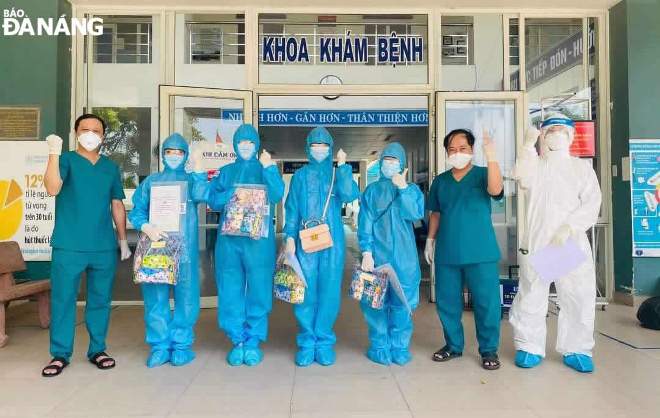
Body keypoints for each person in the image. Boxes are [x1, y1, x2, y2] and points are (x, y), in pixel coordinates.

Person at [509, 113, 601, 373]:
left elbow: (592, 202)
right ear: (543, 136)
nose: (556, 134)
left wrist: (569, 227)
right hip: (538, 240)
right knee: (531, 293)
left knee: (576, 295)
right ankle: (529, 346)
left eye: (561, 130)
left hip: (568, 242)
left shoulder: (581, 168)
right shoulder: (536, 164)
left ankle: (578, 348)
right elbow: (520, 176)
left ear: (571, 135)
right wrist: (527, 147)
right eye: (550, 130)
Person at [42, 114, 132, 377]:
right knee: (63, 299)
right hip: (69, 245)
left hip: (102, 246)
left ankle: (98, 349)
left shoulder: (110, 168)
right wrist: (53, 153)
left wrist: (123, 240)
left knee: (100, 300)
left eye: (96, 130)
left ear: (103, 136)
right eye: (85, 129)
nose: (90, 134)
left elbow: (117, 204)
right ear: (75, 132)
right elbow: (52, 187)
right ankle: (59, 354)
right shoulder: (66, 160)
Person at [203, 123, 284, 366]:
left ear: (257, 145)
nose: (245, 147)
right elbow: (212, 200)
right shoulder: (226, 171)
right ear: (235, 146)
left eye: (250, 143)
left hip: (258, 242)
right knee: (230, 288)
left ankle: (252, 341)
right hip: (229, 242)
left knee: (259, 287)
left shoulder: (265, 169)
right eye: (241, 143)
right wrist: (226, 195)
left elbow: (277, 194)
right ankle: (237, 340)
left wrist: (269, 169)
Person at [424, 128, 504, 370]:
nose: (457, 153)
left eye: (463, 149)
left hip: (480, 251)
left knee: (486, 302)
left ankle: (489, 349)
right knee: (447, 302)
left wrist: (492, 157)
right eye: (452, 150)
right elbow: (436, 213)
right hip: (448, 250)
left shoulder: (482, 174)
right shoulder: (441, 181)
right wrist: (430, 239)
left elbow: (495, 190)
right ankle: (453, 345)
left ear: (471, 150)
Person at [129, 133, 207, 368]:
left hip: (185, 250)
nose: (174, 156)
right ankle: (160, 346)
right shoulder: (151, 182)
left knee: (187, 297)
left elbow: (203, 195)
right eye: (170, 152)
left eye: (179, 152)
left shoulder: (192, 181)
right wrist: (145, 226)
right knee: (155, 297)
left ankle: (182, 345)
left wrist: (200, 169)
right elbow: (137, 210)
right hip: (157, 249)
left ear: (185, 155)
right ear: (163, 155)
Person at [284, 126, 359, 367]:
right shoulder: (300, 177)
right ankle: (307, 342)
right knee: (305, 290)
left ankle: (324, 342)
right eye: (315, 145)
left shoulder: (338, 175)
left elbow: (349, 195)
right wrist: (289, 237)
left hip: (332, 241)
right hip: (305, 239)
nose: (319, 150)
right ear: (308, 148)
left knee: (328, 291)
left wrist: (345, 167)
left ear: (330, 149)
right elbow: (292, 207)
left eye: (324, 145)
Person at [358, 142, 425, 366]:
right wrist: (366, 251)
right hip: (376, 256)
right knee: (375, 304)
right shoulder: (372, 191)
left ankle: (399, 346)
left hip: (405, 260)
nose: (389, 164)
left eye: (394, 161)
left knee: (401, 304)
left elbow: (415, 214)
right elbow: (364, 223)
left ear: (402, 164)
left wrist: (403, 188)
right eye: (386, 160)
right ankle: (379, 346)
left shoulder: (412, 190)